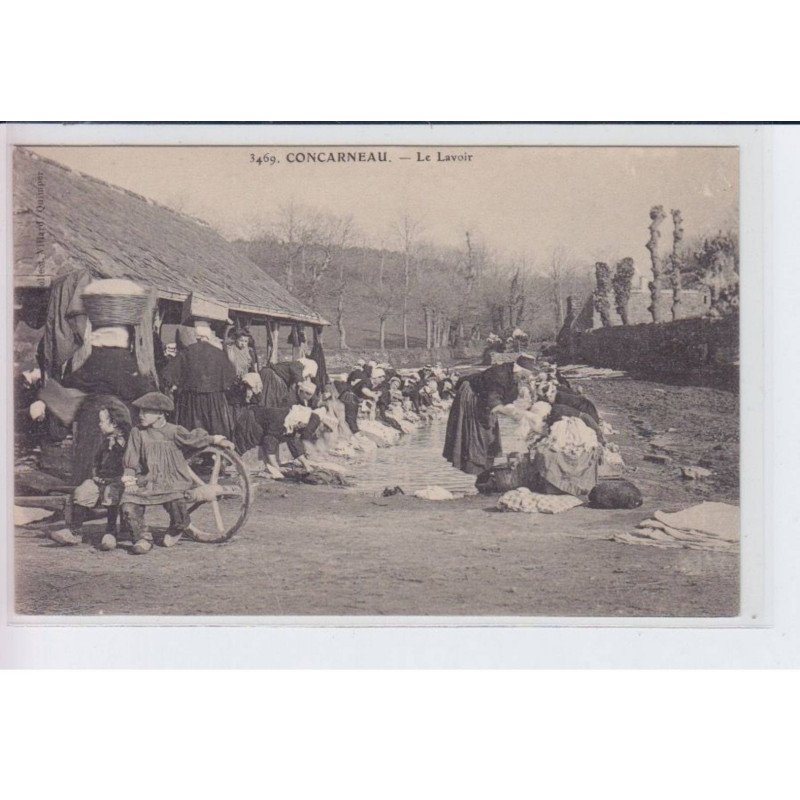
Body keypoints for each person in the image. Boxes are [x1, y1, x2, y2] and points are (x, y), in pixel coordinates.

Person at [120, 392, 233, 555]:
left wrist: (216, 440)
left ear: (160, 414)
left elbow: (194, 439)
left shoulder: (174, 431)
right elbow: (131, 458)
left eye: (146, 411)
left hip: (173, 479)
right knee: (128, 504)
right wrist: (130, 481)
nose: (141, 415)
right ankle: (142, 538)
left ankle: (176, 528)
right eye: (140, 411)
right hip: (148, 480)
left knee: (177, 502)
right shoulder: (137, 432)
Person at [49, 400, 131, 550]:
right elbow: (96, 461)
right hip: (100, 480)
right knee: (84, 491)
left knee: (111, 495)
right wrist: (95, 475)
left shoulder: (126, 444)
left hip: (117, 480)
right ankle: (75, 531)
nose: (99, 424)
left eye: (102, 421)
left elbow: (129, 464)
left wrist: (120, 476)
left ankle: (111, 531)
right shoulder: (104, 442)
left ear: (114, 424)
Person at [443, 355, 538, 475]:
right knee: (478, 434)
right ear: (519, 371)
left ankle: (485, 470)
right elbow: (495, 406)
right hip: (472, 396)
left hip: (484, 398)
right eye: (525, 376)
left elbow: (506, 401)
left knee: (490, 433)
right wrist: (521, 415)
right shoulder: (500, 376)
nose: (526, 379)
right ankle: (480, 471)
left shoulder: (514, 377)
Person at [161, 318, 237, 439]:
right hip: (215, 401)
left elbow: (168, 375)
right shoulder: (219, 353)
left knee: (192, 433)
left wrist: (177, 386)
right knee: (216, 433)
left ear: (196, 336)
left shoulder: (186, 352)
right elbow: (231, 376)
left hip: (191, 400)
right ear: (209, 336)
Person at [246, 403, 335, 479]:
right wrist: (276, 467)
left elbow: (293, 441)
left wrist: (306, 465)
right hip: (250, 419)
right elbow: (269, 440)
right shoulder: (283, 420)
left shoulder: (293, 421)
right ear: (300, 422)